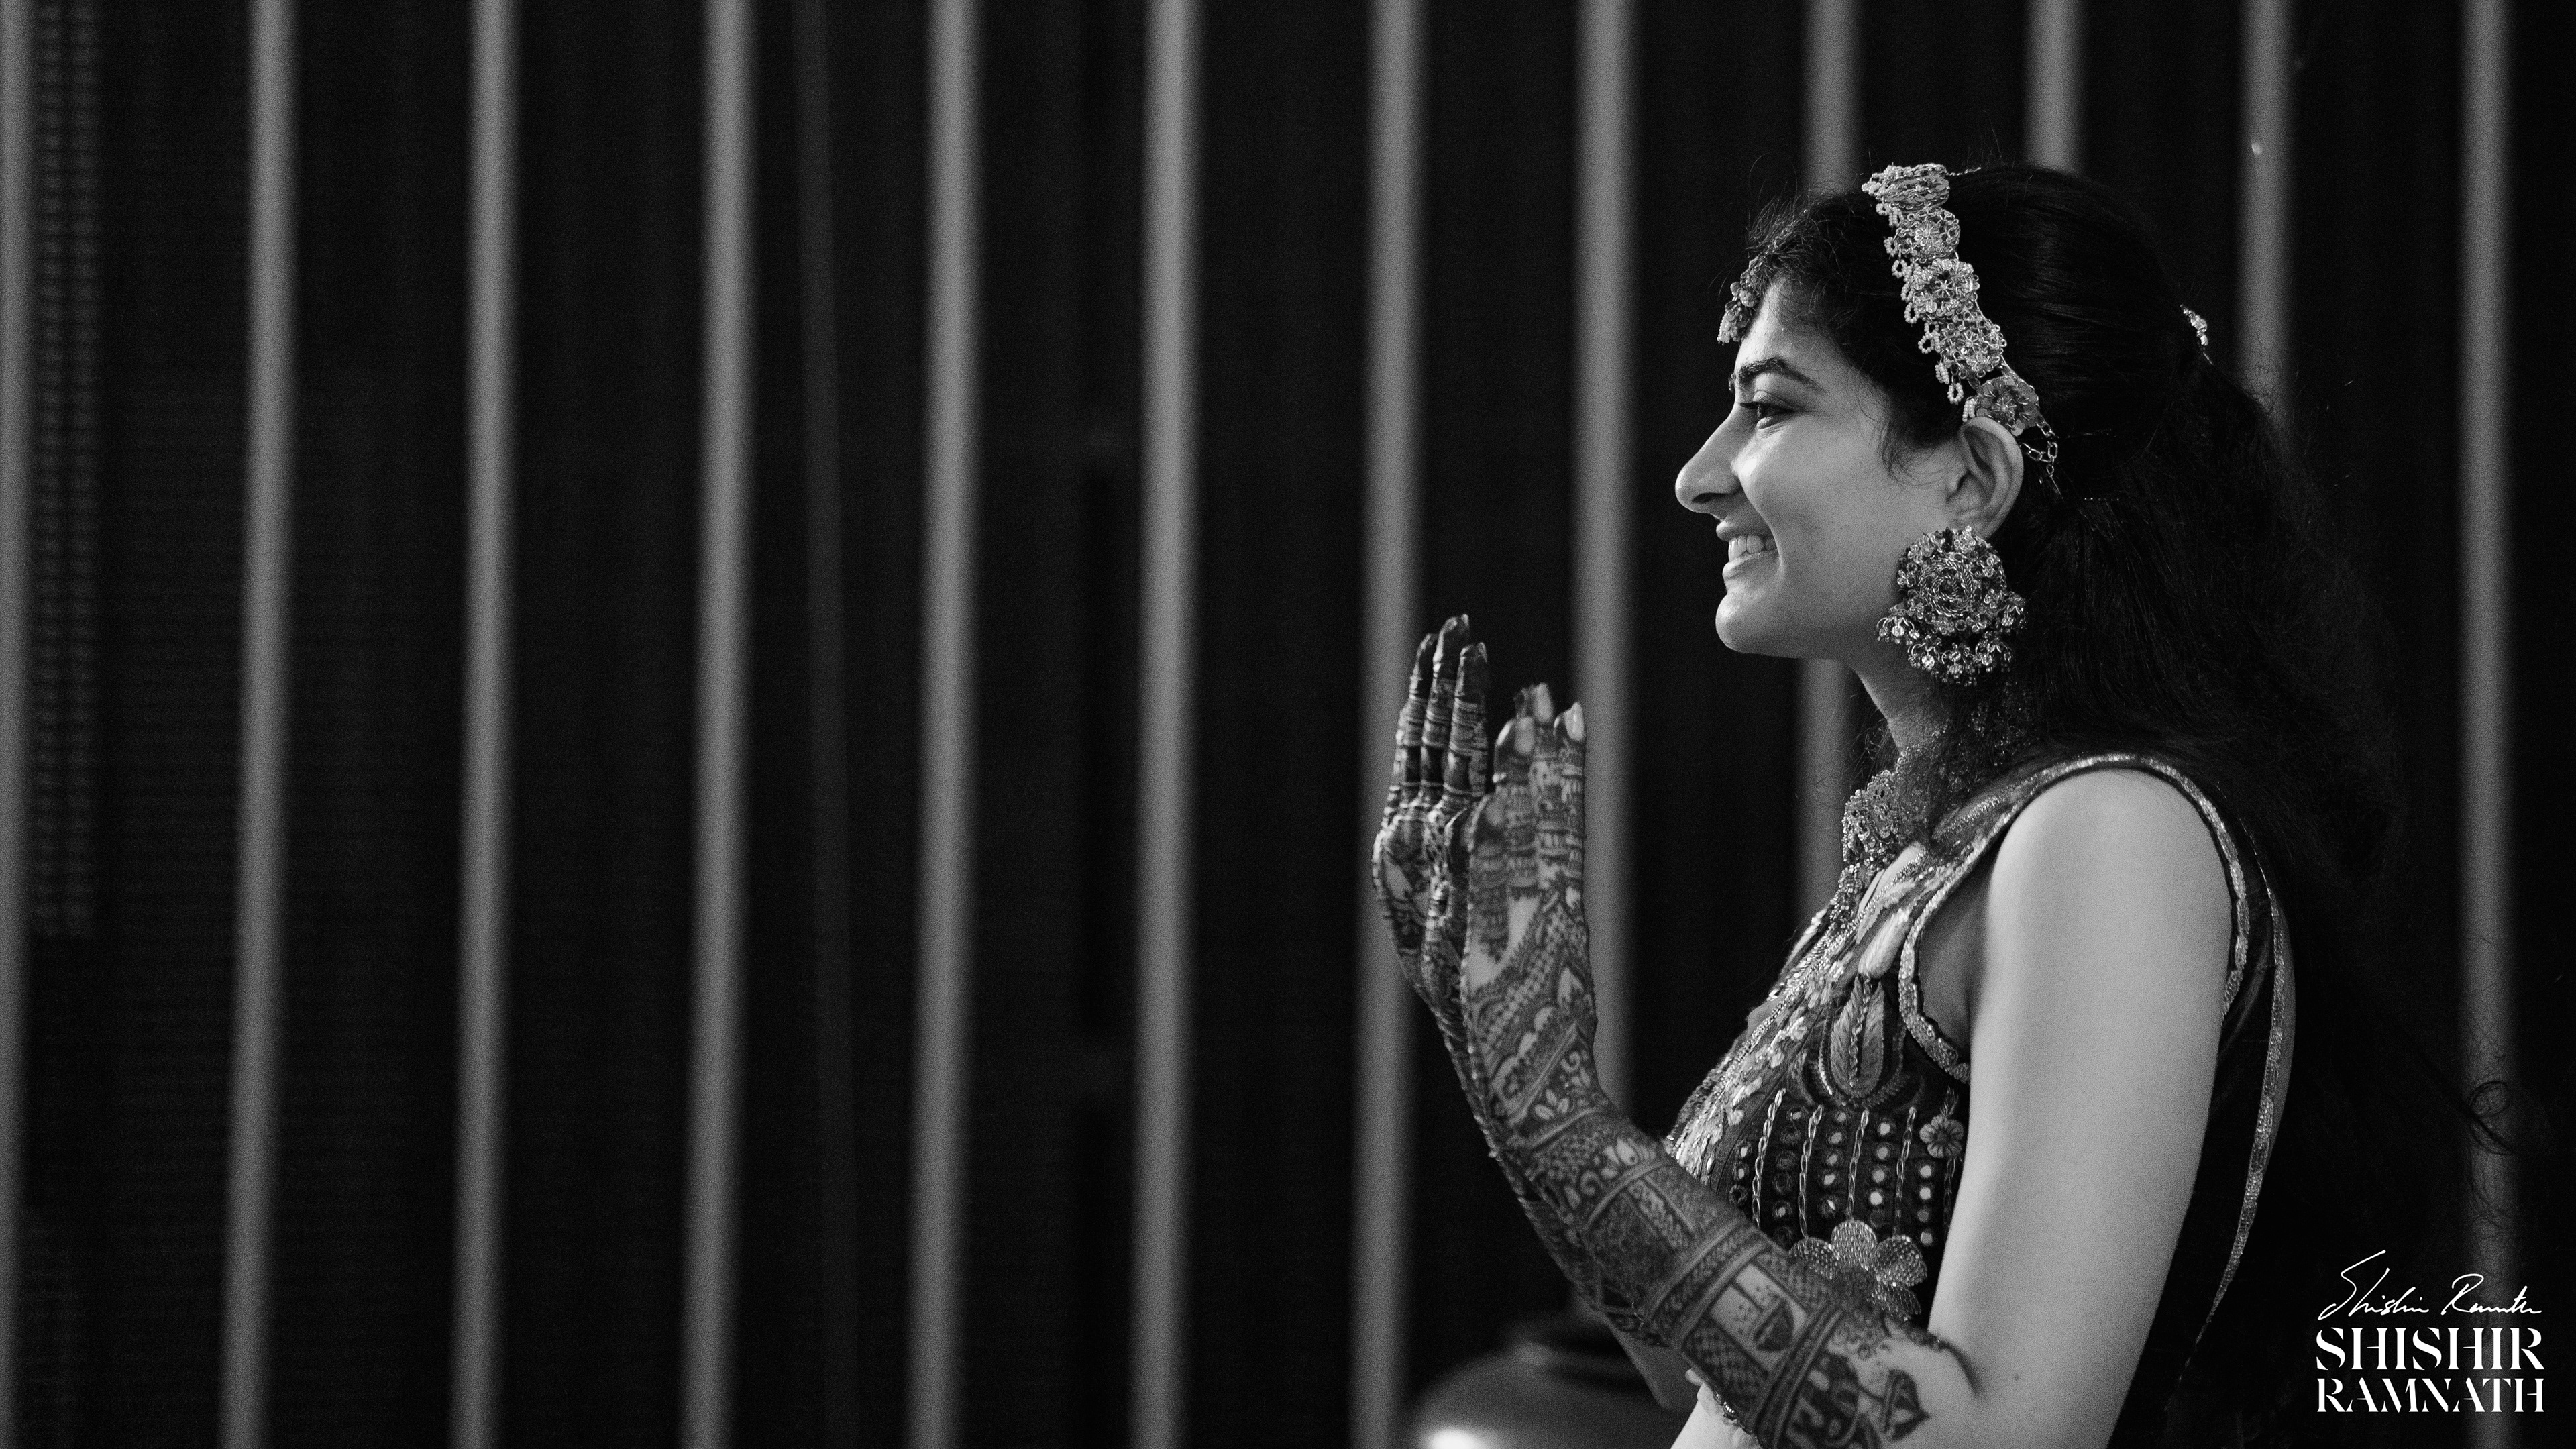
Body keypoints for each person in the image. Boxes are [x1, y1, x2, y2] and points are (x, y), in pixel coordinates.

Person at [1373, 162, 2459, 1448]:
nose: (1700, 477)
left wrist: (1562, 1123)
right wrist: (1506, 1068)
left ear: (1971, 479)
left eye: (1768, 410)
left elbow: (2004, 1435)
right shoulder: (1942, 846)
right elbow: (1697, 1377)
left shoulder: (2108, 832)